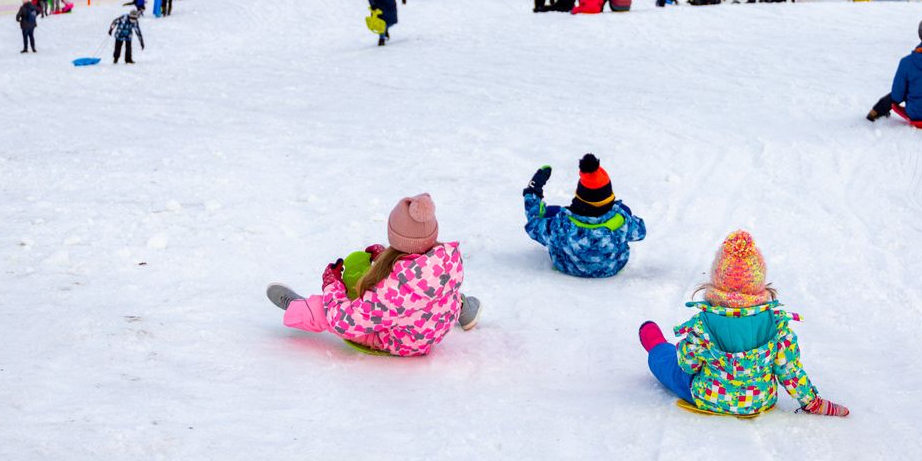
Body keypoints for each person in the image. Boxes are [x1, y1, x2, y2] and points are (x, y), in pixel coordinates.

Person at [637, 230, 849, 418]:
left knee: (671, 366)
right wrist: (813, 402)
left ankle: (657, 346)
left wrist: (691, 350)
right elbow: (789, 370)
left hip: (709, 397)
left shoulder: (703, 324)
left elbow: (687, 365)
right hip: (760, 400)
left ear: (717, 280)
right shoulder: (776, 325)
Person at [265, 193, 479, 356]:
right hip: (434, 323)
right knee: (438, 288)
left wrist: (332, 285)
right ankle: (465, 309)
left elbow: (345, 321)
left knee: (328, 311)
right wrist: (383, 259)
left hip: (403, 342)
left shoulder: (392, 292)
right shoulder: (447, 257)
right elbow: (416, 282)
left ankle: (301, 308)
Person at [522, 155, 647, 278]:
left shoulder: (561, 224)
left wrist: (533, 191)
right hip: (611, 268)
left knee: (551, 212)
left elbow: (533, 224)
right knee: (625, 209)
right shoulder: (621, 222)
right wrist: (623, 215)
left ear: (580, 196)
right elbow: (641, 232)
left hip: (567, 266)